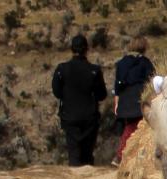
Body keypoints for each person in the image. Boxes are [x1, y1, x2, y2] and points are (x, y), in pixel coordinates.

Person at [51, 34, 107, 167]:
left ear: (71, 49)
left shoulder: (62, 69)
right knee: (87, 154)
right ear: (86, 49)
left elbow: (57, 92)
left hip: (70, 116)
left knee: (74, 153)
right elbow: (101, 95)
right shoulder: (94, 70)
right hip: (89, 117)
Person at [112, 36, 156, 165]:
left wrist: (116, 103)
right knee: (133, 127)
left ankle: (124, 156)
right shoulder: (146, 63)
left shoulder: (121, 63)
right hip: (138, 98)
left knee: (129, 126)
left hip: (125, 100)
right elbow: (151, 82)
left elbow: (117, 86)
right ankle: (120, 156)